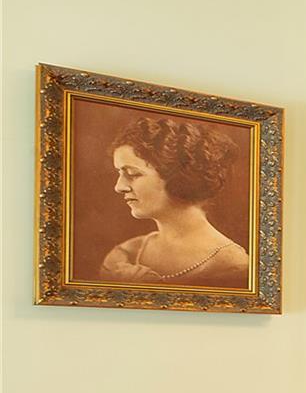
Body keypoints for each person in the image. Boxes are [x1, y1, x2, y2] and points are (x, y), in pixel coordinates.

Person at [97, 114, 251, 288]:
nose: (119, 187)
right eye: (120, 174)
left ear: (179, 178)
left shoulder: (232, 266)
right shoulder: (126, 255)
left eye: (133, 174)